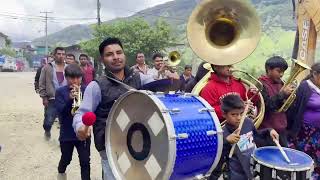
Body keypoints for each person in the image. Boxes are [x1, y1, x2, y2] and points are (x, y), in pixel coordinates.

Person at [73, 37, 141, 180]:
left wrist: (172, 80)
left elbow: (160, 88)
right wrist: (80, 127)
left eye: (119, 52)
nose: (116, 57)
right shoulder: (96, 86)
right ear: (103, 60)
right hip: (110, 147)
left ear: (124, 55)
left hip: (137, 143)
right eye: (109, 54)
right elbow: (82, 113)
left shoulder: (138, 78)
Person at [219, 94, 278, 180]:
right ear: (224, 114)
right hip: (236, 174)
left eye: (241, 113)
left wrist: (269, 131)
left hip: (252, 167)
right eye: (234, 114)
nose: (239, 118)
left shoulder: (247, 122)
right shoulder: (223, 133)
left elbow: (257, 136)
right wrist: (226, 141)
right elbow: (219, 157)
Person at [55, 64, 90, 180]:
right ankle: (61, 172)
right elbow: (61, 112)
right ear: (66, 77)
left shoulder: (87, 90)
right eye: (72, 78)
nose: (75, 81)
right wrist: (70, 99)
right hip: (67, 134)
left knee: (85, 161)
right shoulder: (60, 92)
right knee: (66, 158)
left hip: (83, 132)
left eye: (78, 78)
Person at [287, 62, 320, 179]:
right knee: (303, 159)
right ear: (315, 74)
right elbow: (294, 110)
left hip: (318, 132)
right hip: (305, 132)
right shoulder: (304, 87)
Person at [258, 56, 293, 146]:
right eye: (278, 71)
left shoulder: (282, 84)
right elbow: (267, 106)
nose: (281, 74)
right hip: (267, 129)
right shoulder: (261, 84)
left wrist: (289, 97)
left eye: (283, 72)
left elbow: (283, 106)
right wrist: (283, 94)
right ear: (269, 69)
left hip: (281, 128)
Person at [39, 47, 68, 139]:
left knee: (64, 121)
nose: (61, 56)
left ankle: (62, 139)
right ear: (54, 55)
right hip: (52, 99)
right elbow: (42, 82)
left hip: (65, 99)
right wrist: (44, 97)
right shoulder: (47, 67)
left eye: (63, 54)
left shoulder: (68, 67)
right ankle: (47, 131)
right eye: (59, 54)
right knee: (48, 121)